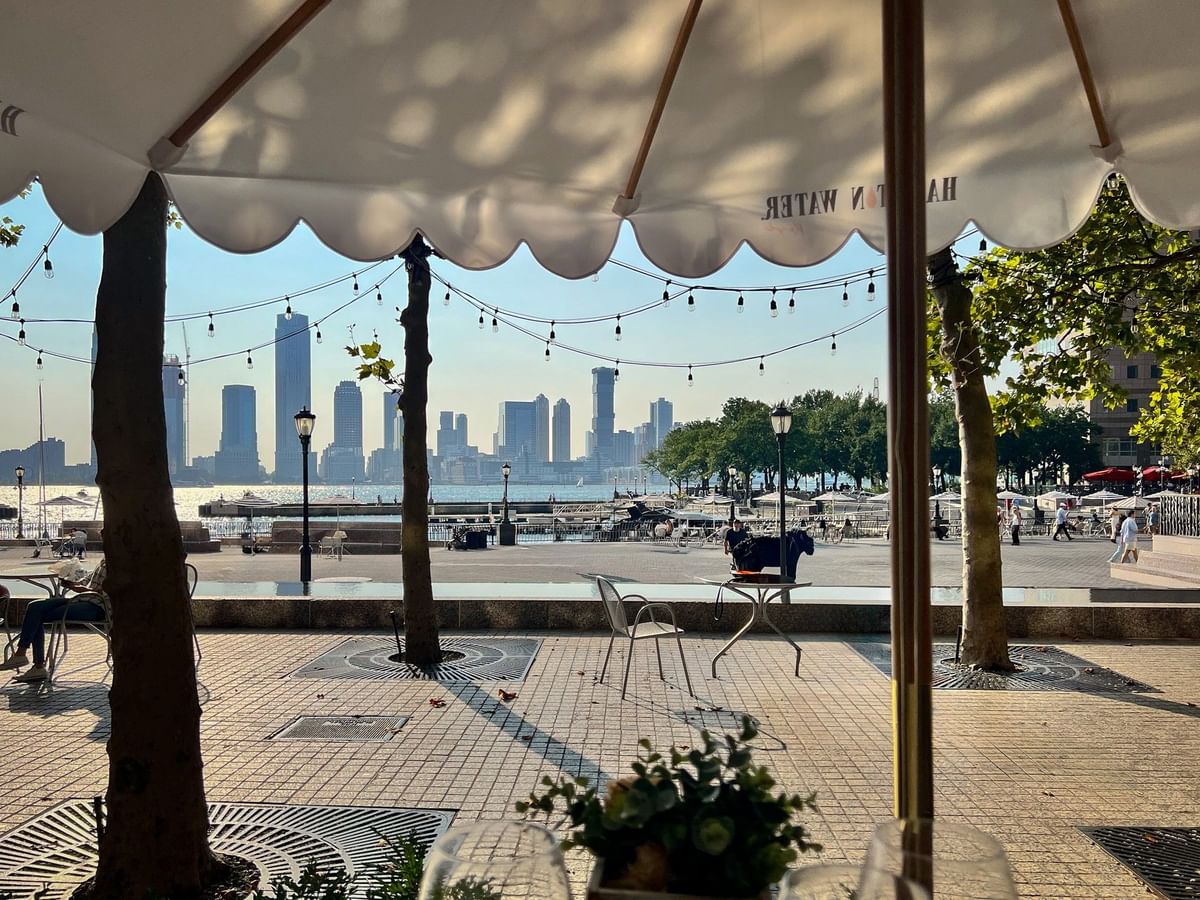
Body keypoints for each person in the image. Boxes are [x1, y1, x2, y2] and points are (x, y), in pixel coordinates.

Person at [0, 562, 107, 683]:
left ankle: (33, 663)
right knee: (34, 607)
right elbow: (88, 580)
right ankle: (24, 656)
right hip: (84, 600)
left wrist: (81, 589)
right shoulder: (105, 560)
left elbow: (106, 590)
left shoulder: (120, 563)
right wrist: (72, 582)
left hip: (98, 606)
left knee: (37, 615)